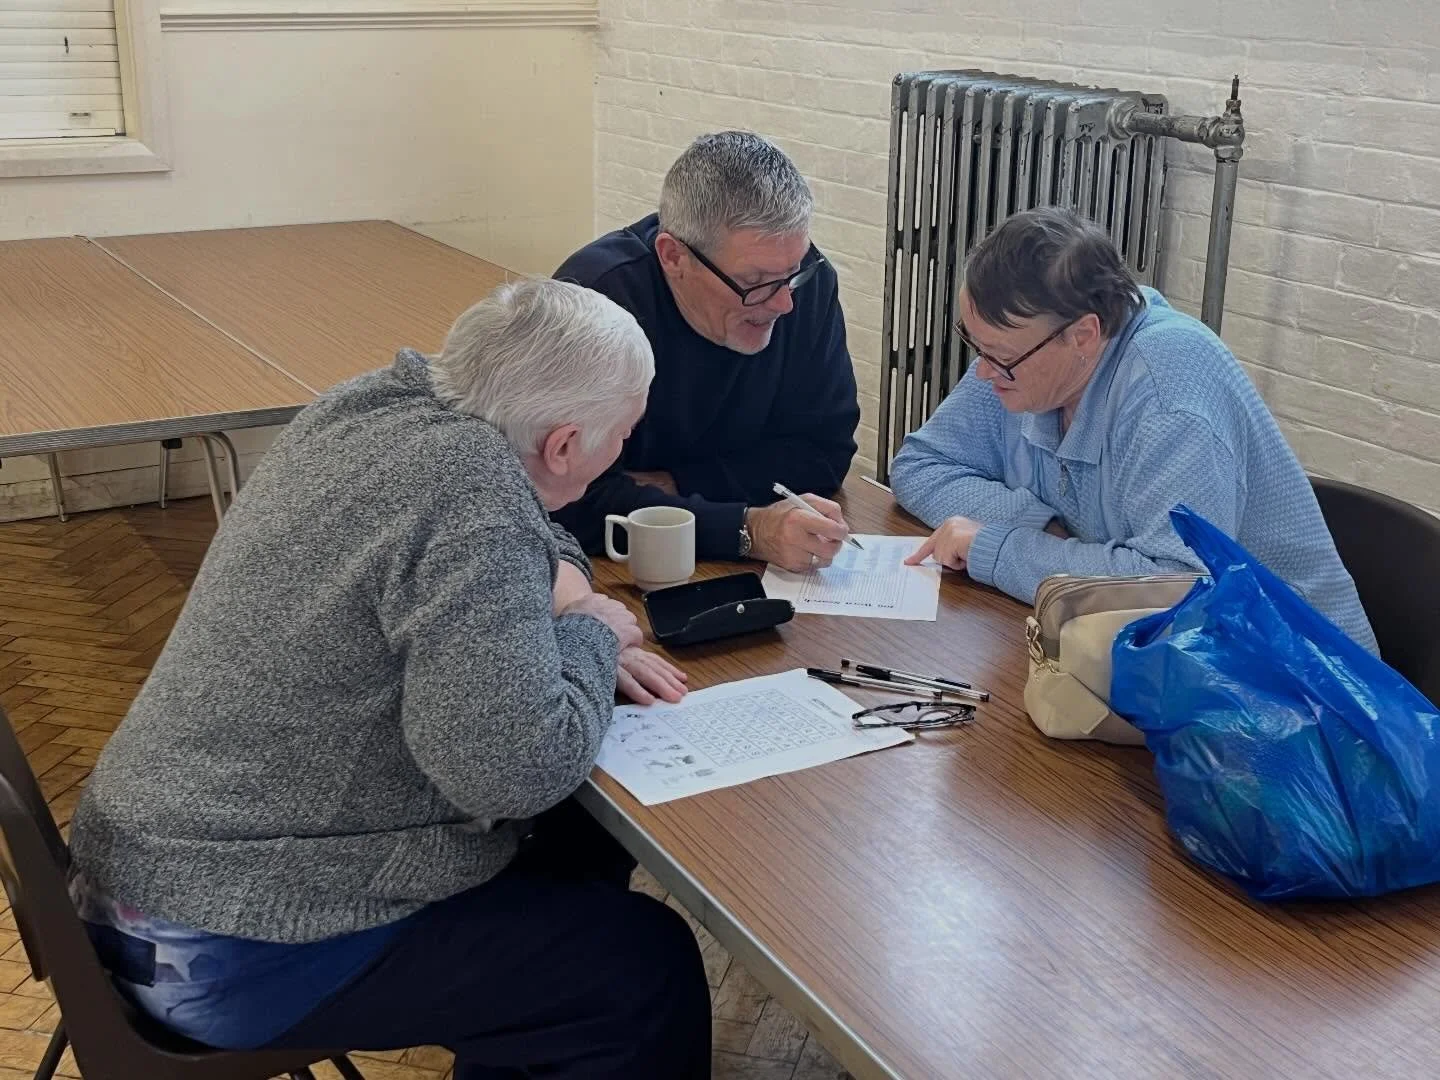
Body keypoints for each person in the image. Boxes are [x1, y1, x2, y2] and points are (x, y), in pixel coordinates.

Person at [66, 279, 711, 1078]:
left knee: (573, 853)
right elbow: (514, 771)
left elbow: (527, 539)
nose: (627, 454)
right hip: (225, 945)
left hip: (138, 878)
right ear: (566, 446)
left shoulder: (373, 407)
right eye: (624, 435)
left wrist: (568, 588)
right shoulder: (470, 495)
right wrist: (590, 632)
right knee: (639, 967)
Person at [891, 206, 1378, 653]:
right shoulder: (1024, 357)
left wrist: (997, 547)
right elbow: (920, 465)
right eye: (976, 345)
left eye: (1000, 356)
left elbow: (1173, 591)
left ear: (1083, 333)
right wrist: (1036, 526)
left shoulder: (1169, 393)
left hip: (1298, 686)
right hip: (1138, 659)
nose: (983, 372)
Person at [553, 130, 862, 573]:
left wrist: (675, 484)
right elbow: (561, 497)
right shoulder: (593, 302)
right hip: (621, 571)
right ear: (673, 257)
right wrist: (746, 528)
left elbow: (824, 452)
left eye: (794, 272)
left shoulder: (808, 288)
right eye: (755, 283)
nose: (784, 303)